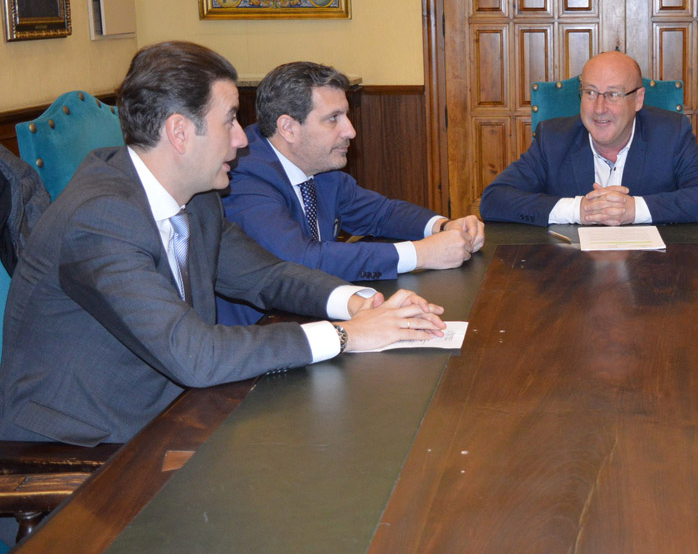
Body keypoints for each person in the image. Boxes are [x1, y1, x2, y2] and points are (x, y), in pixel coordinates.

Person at [0, 41, 446, 446]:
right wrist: (346, 337)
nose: (241, 138)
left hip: (172, 411)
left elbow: (267, 275)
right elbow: (194, 354)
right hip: (85, 444)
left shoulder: (196, 198)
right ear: (179, 132)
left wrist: (358, 303)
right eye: (230, 119)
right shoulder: (99, 219)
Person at [219, 61, 483, 324]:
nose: (351, 131)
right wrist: (420, 254)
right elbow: (300, 260)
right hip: (261, 332)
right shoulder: (244, 176)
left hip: (314, 313)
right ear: (288, 128)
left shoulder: (318, 163)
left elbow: (382, 213)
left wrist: (443, 227)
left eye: (346, 115)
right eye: (333, 119)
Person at [479, 51, 698, 226]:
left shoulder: (670, 134)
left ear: (638, 99)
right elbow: (494, 200)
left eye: (613, 94)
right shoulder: (553, 139)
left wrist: (634, 209)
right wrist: (580, 210)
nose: (599, 108)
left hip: (652, 279)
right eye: (590, 92)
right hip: (570, 279)